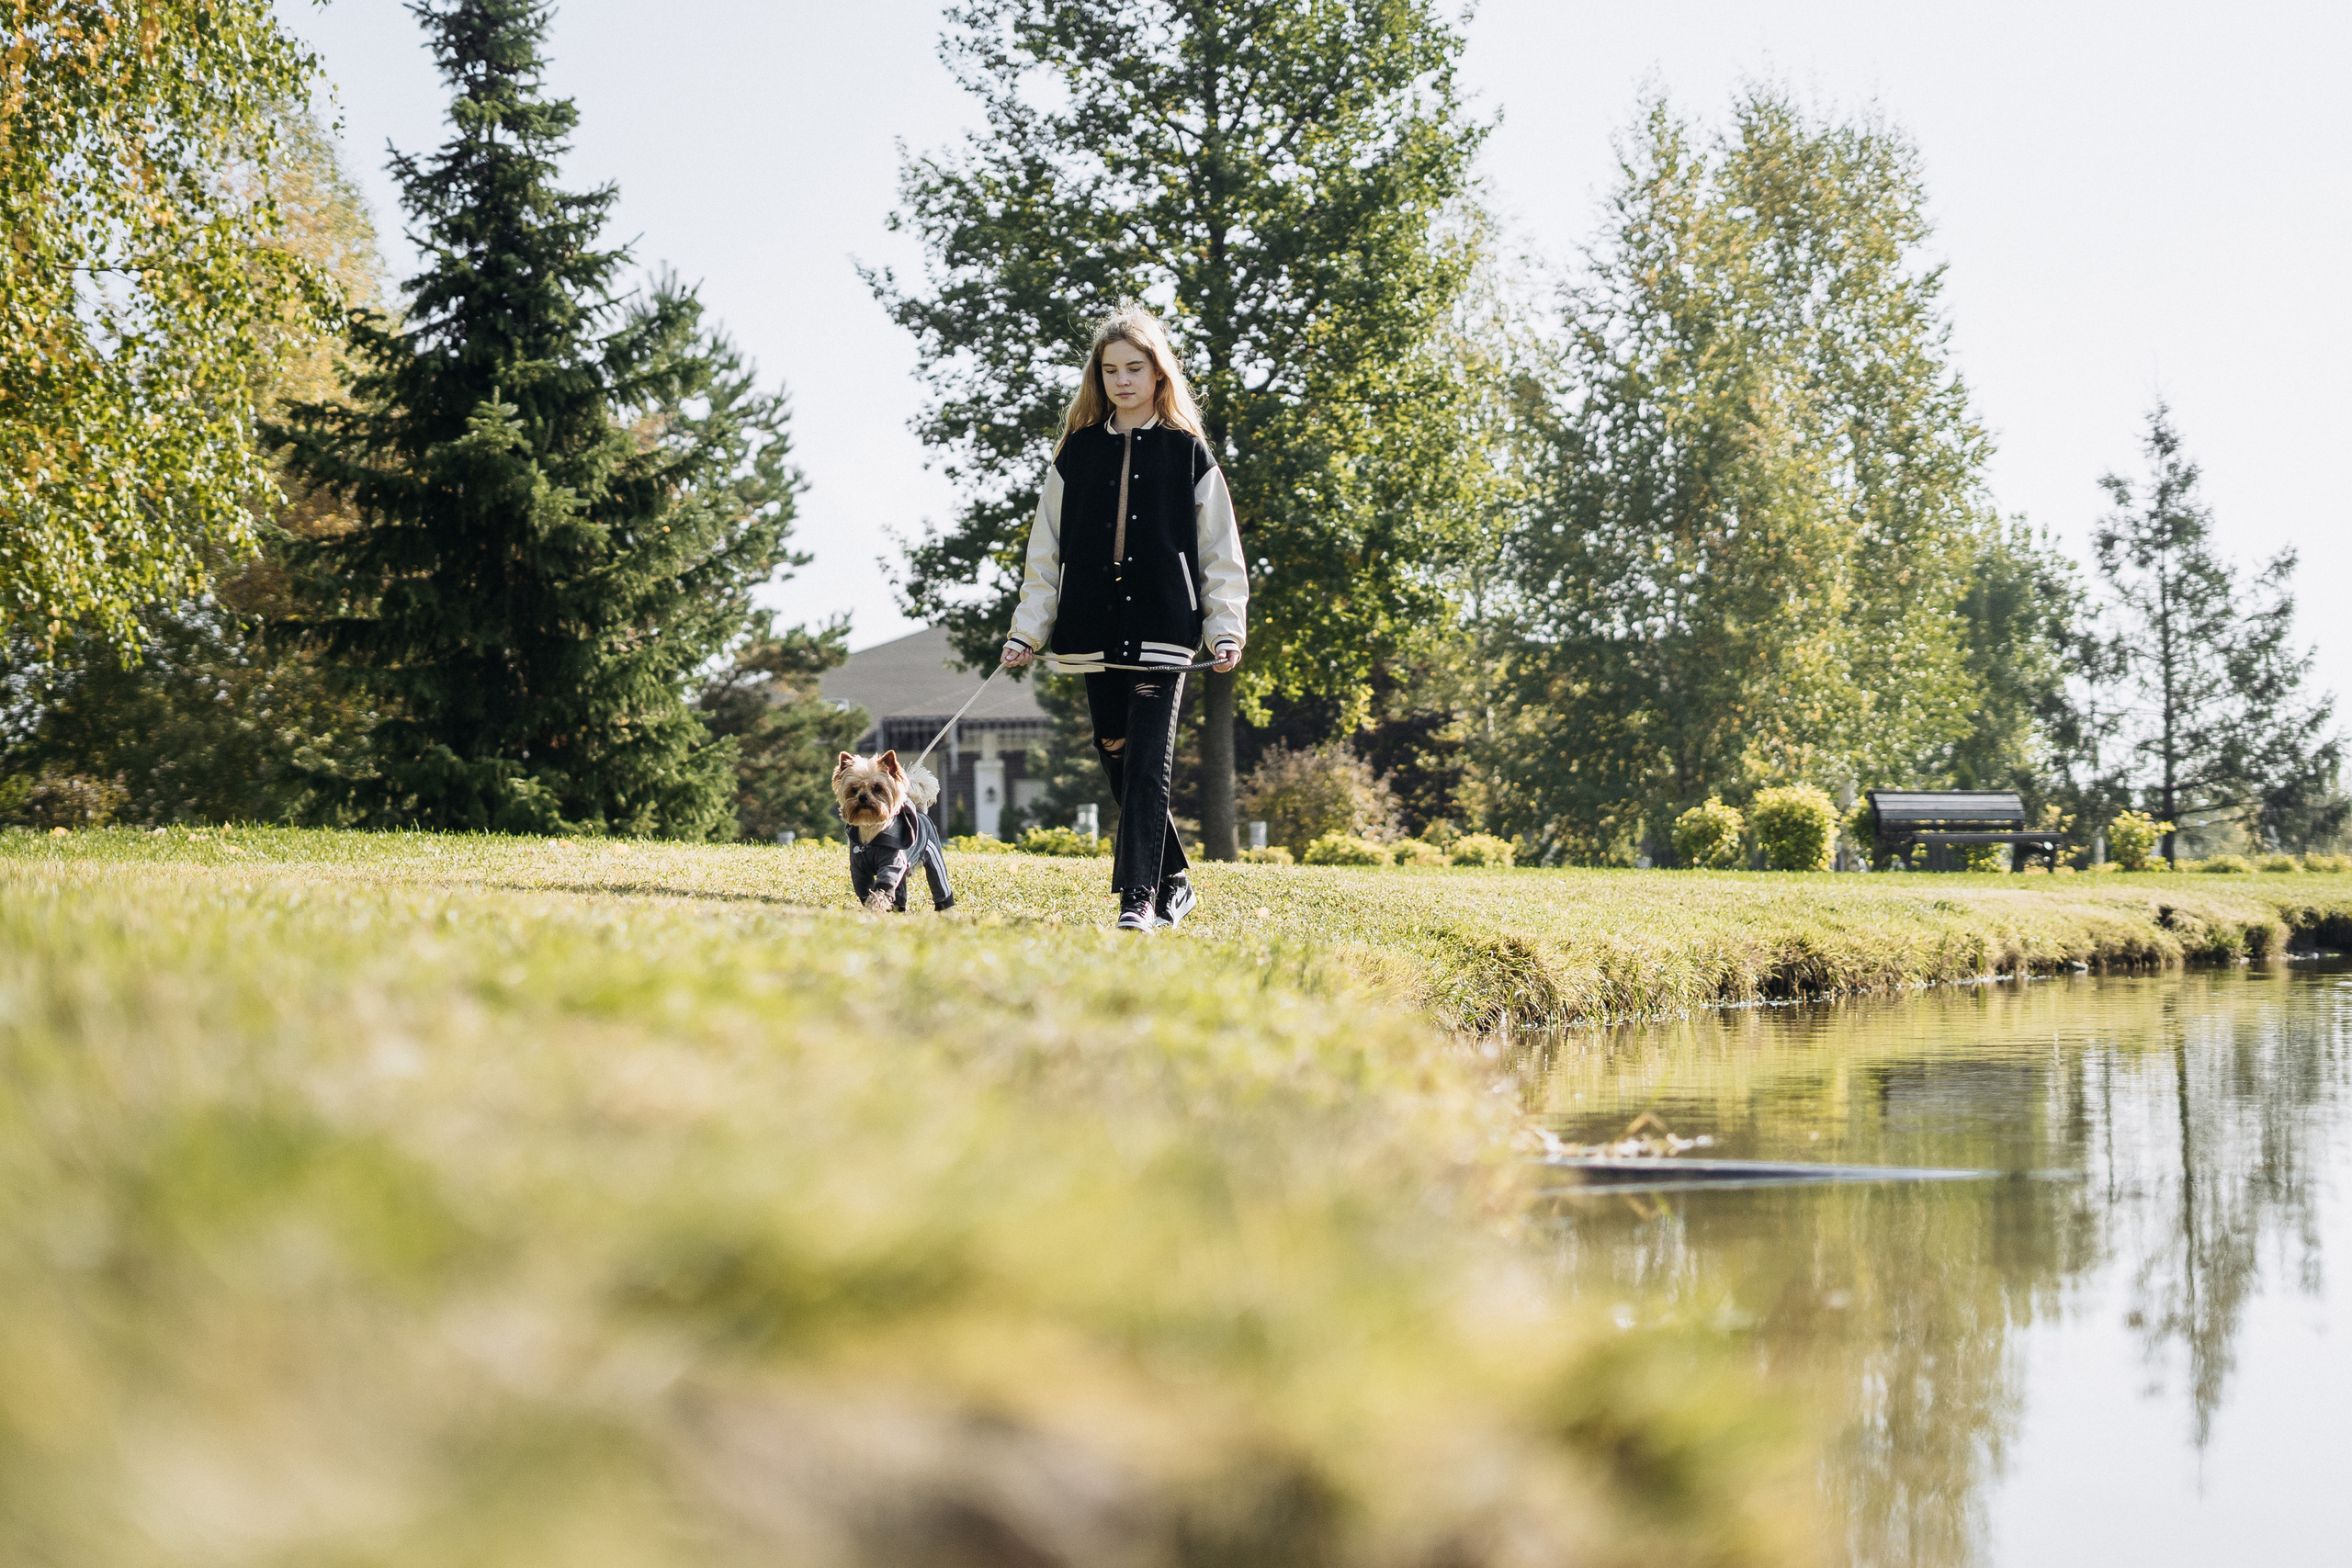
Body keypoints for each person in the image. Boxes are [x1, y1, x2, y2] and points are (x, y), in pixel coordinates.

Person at [1001, 305, 1247, 931]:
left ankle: (1138, 895)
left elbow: (1220, 550)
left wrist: (1225, 626)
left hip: (1166, 626)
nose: (1122, 380)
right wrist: (1027, 629)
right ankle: (1176, 877)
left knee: (1144, 762)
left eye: (1134, 368)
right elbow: (1044, 548)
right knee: (1114, 748)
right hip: (1092, 628)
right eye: (1110, 370)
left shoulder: (1188, 453)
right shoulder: (1077, 453)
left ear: (1159, 373)